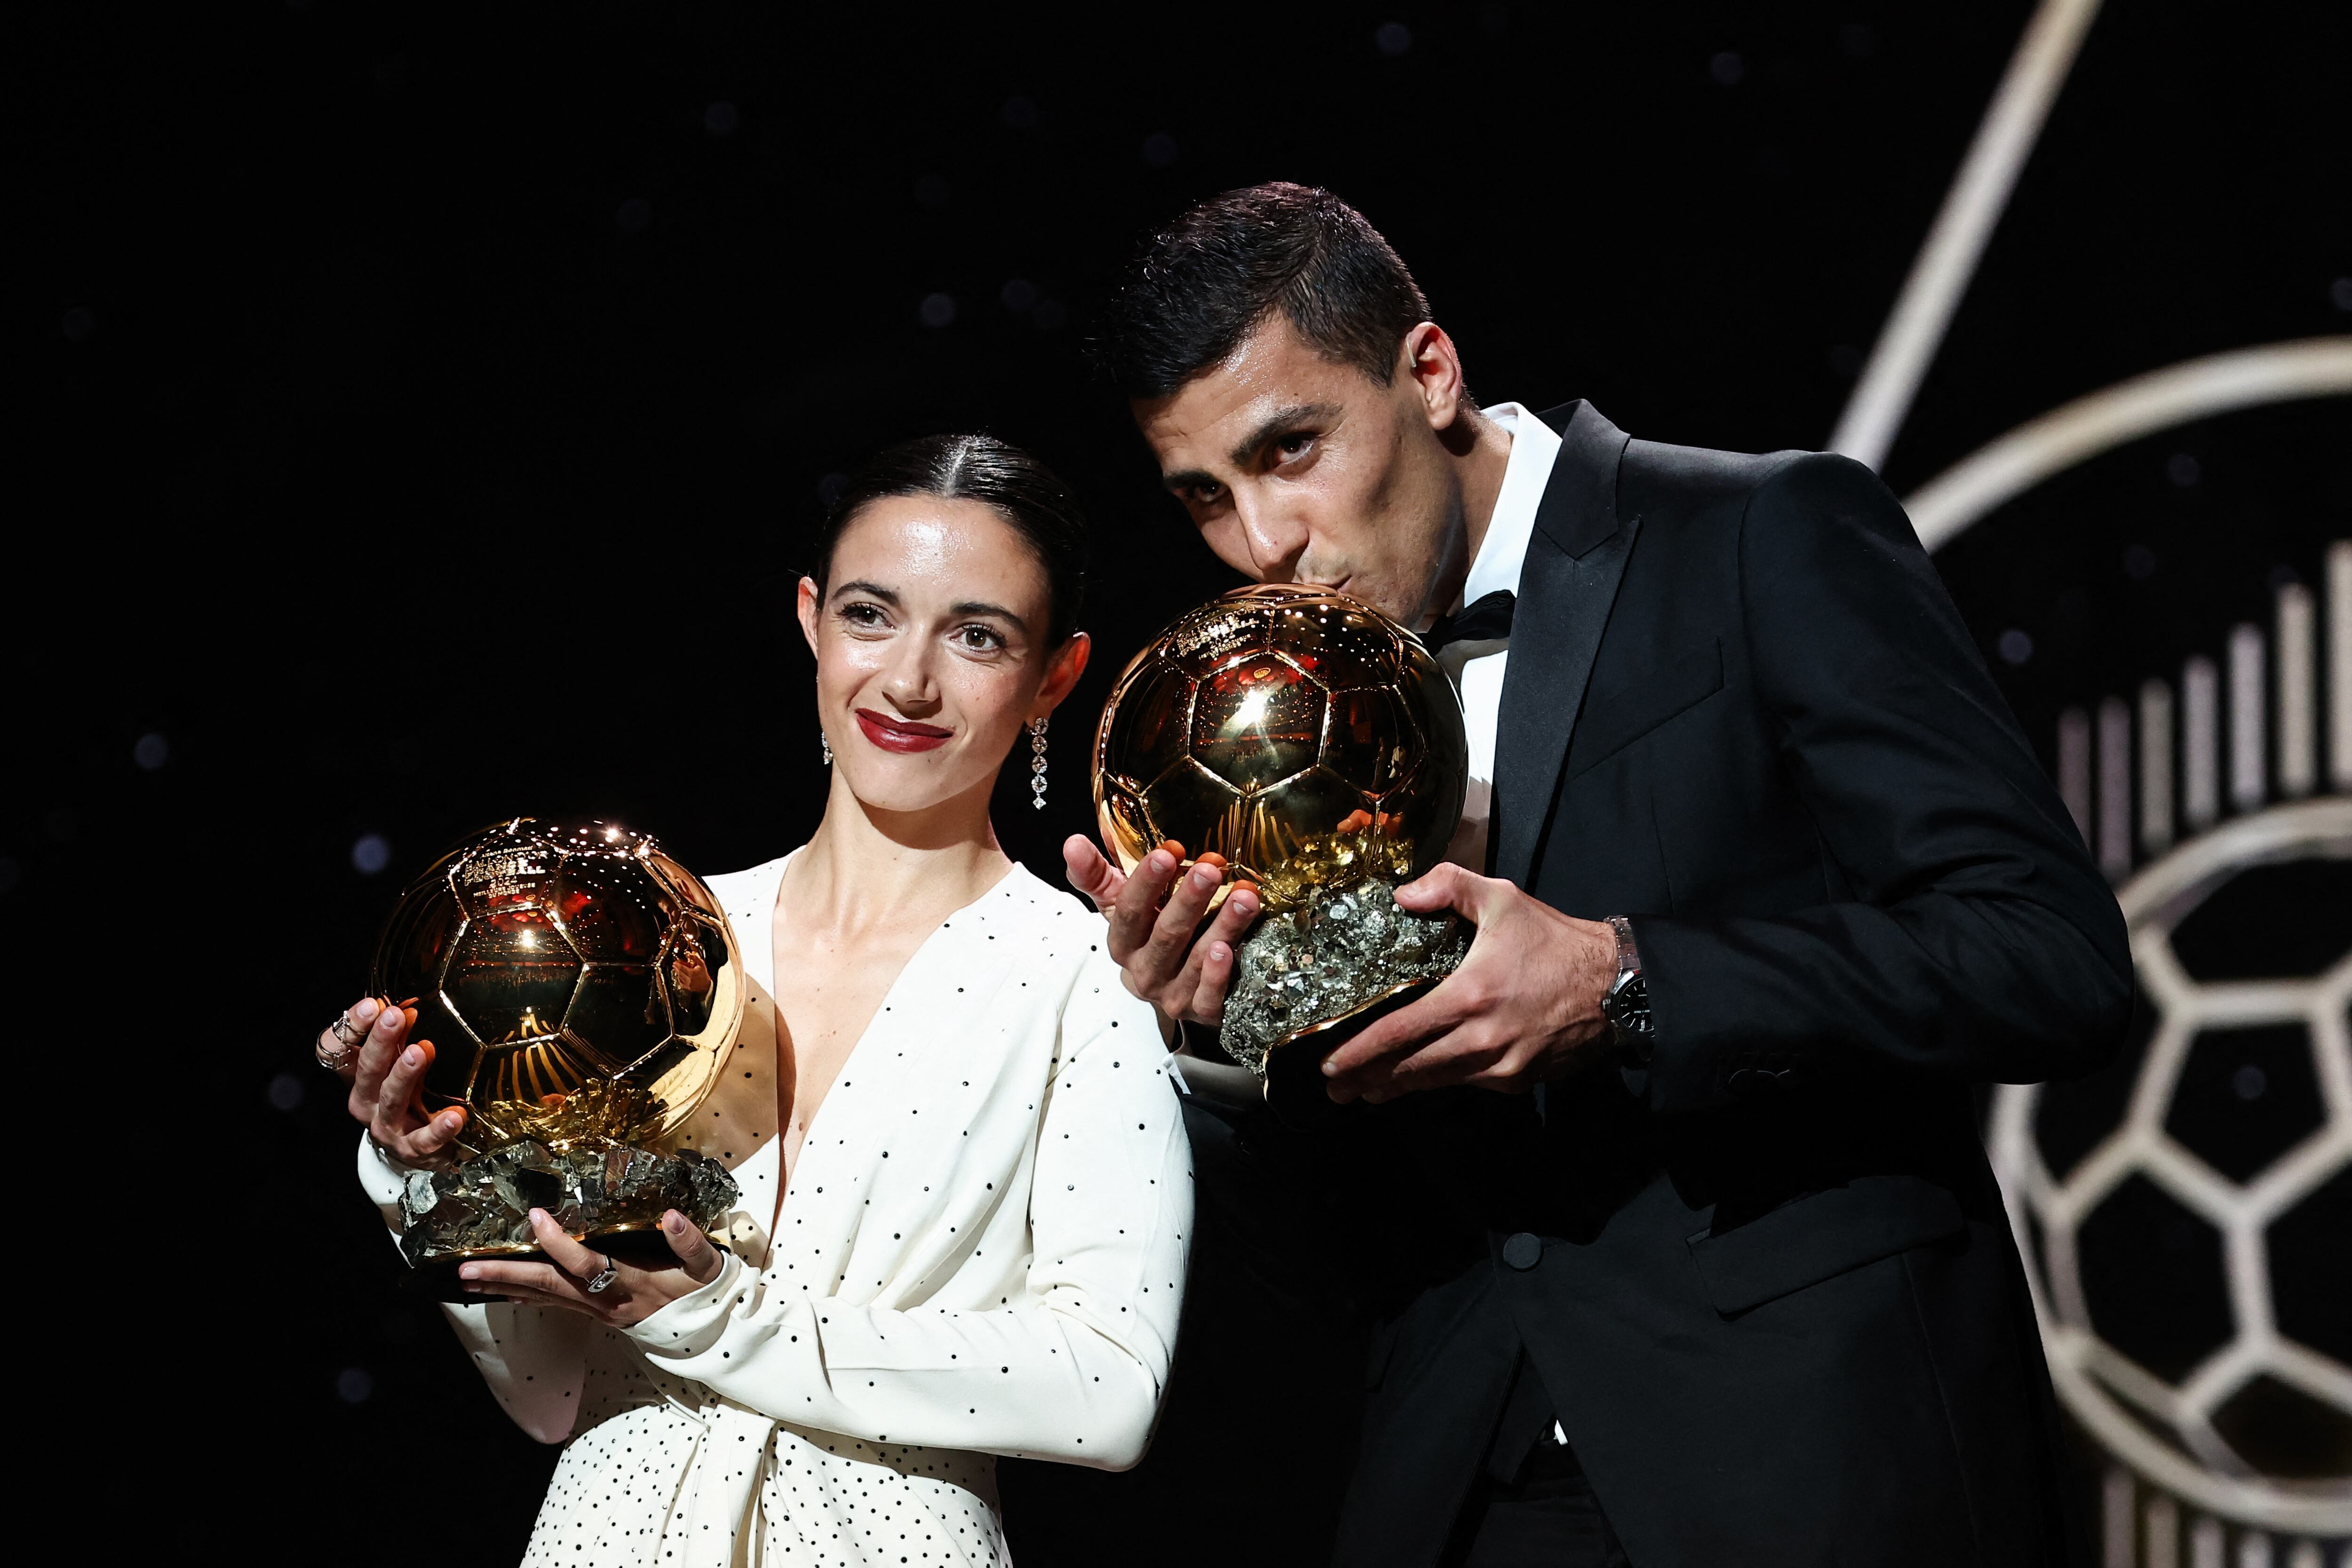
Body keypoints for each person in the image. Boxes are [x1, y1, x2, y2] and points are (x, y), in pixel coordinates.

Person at [1065, 183, 2130, 1568]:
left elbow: (2046, 955)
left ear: (1431, 373)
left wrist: (1624, 978)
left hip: (1812, 1460)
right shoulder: (1261, 729)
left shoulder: (1765, 532)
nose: (1263, 544)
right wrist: (1215, 1033)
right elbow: (1333, 1236)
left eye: (1294, 448)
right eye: (1206, 495)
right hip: (1461, 1484)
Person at [321, 434, 1193, 1568]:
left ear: (1056, 676)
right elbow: (548, 1393)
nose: (908, 680)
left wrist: (725, 1318)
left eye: (976, 635)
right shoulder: (655, 941)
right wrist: (427, 1172)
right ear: (809, 617)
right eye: (870, 615)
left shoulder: (1084, 974)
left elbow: (1108, 1388)